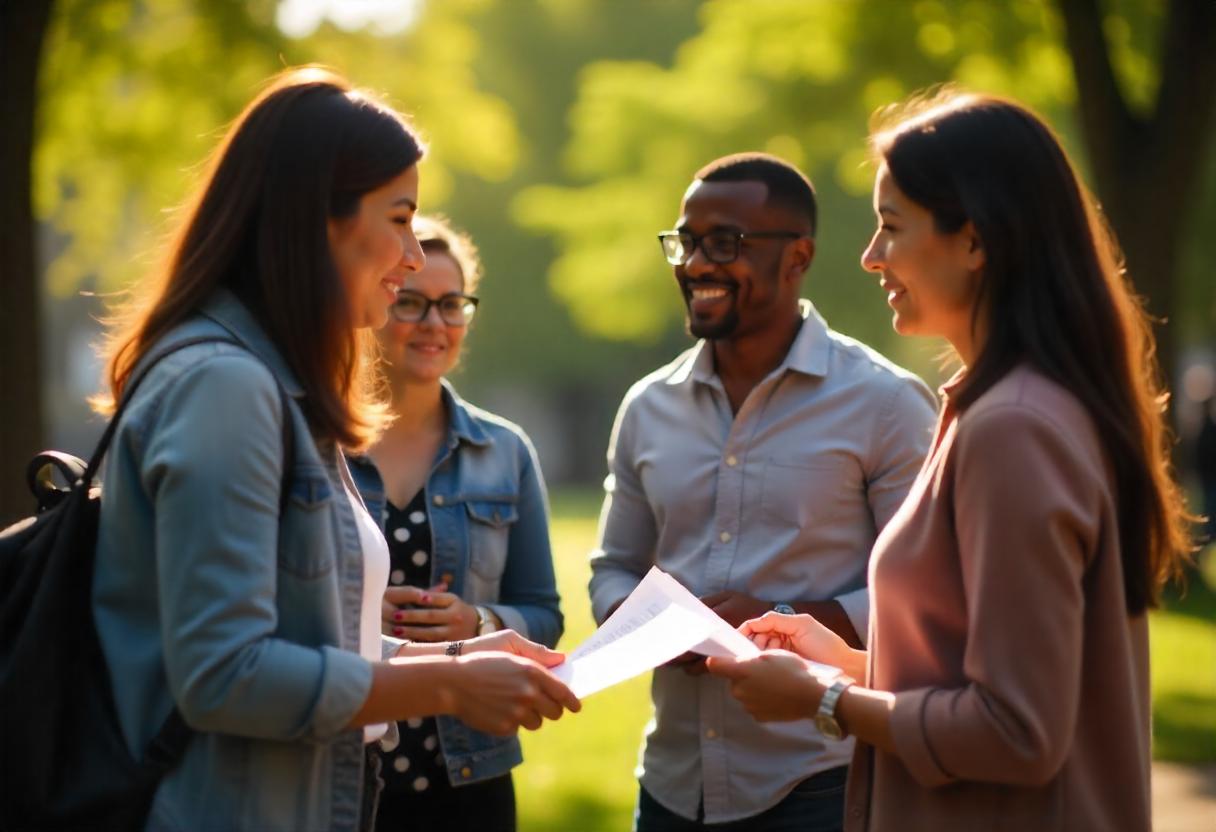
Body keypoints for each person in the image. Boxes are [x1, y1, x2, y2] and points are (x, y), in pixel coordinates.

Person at [91, 68, 579, 832]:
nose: (414, 256)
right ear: (317, 218)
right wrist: (449, 689)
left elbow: (313, 638)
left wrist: (460, 659)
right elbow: (225, 674)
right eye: (399, 218)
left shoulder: (272, 386)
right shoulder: (226, 387)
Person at [707, 90, 1196, 832]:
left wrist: (821, 702)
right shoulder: (1005, 408)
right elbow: (986, 686)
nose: (870, 257)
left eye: (891, 227)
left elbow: (1016, 733)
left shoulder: (1015, 429)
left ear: (975, 241)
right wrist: (841, 663)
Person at [588, 152, 938, 831]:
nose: (694, 264)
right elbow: (613, 569)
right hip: (669, 786)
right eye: (685, 242)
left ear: (797, 257)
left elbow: (926, 594)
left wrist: (778, 618)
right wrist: (652, 629)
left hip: (818, 785)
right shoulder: (646, 407)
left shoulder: (886, 403)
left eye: (724, 243)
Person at [346, 215, 562, 832]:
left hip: (470, 777)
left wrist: (480, 622)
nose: (434, 323)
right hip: (348, 767)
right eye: (412, 302)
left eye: (451, 305)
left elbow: (543, 611)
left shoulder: (506, 450)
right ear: (380, 302)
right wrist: (359, 609)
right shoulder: (319, 440)